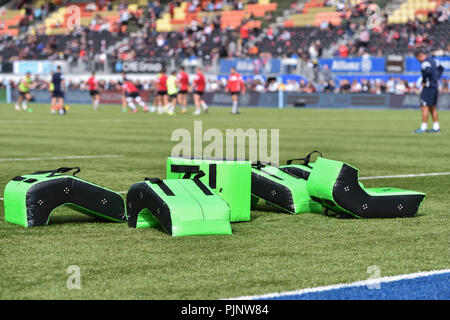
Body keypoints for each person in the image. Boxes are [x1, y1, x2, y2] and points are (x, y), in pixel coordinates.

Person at [413, 50, 444, 133]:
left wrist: (424, 80)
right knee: (432, 107)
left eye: (418, 58)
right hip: (434, 87)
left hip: (428, 87)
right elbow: (441, 68)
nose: (418, 60)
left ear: (420, 56)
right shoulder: (434, 61)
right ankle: (436, 127)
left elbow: (428, 71)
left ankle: (423, 128)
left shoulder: (425, 63)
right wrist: (436, 77)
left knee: (424, 107)